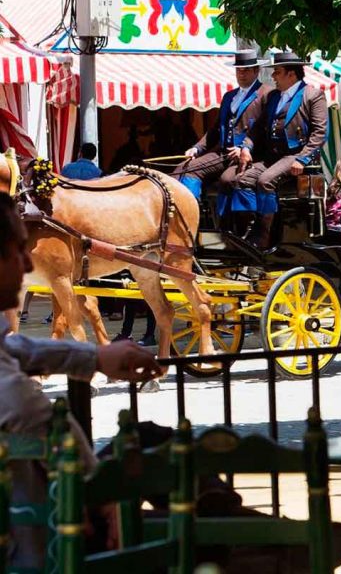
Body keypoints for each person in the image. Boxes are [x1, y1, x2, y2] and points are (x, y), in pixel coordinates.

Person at [0, 192, 160, 568]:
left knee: (149, 436)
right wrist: (98, 491)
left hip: (37, 514)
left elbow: (14, 350)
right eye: (17, 252)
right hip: (43, 538)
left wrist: (96, 358)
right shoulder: (17, 401)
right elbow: (31, 412)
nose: (28, 264)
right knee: (151, 447)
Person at [228, 51, 329, 248]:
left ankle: (264, 234)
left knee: (265, 180)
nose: (273, 76)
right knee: (240, 180)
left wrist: (302, 159)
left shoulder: (313, 95)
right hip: (272, 157)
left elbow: (320, 133)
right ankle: (249, 227)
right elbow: (257, 127)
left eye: (277, 72)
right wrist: (246, 147)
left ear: (291, 74)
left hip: (295, 154)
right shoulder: (274, 96)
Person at [175, 49, 270, 200]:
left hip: (250, 155)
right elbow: (215, 129)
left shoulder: (266, 94)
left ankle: (194, 210)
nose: (241, 74)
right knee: (183, 168)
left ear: (256, 70)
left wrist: (244, 149)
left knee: (227, 180)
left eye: (246, 70)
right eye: (238, 70)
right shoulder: (229, 96)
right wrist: (197, 148)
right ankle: (187, 207)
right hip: (223, 153)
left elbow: (265, 130)